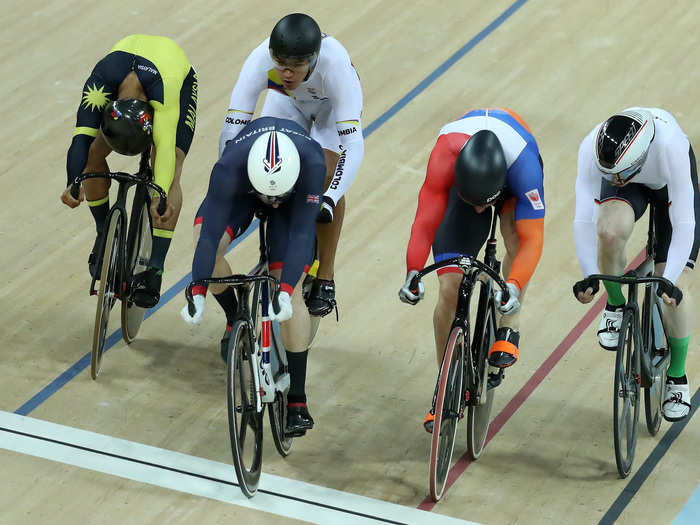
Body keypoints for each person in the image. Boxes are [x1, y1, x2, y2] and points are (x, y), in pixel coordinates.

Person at [399, 108, 545, 432]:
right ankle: (446, 385)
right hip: (465, 178)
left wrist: (515, 285)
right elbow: (425, 221)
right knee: (449, 286)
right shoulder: (445, 155)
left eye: (484, 203)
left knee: (515, 239)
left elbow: (534, 238)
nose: (482, 210)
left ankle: (509, 323)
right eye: (476, 203)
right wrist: (413, 269)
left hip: (509, 179)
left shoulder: (525, 168)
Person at [182, 117, 326, 435]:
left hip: (294, 204)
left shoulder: (312, 163)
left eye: (277, 196)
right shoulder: (229, 165)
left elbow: (303, 234)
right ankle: (235, 316)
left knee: (292, 290)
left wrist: (286, 290)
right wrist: (197, 292)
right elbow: (207, 238)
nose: (271, 203)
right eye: (269, 197)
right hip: (243, 193)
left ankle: (298, 400)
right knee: (204, 245)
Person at [217, 12, 364, 317]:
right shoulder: (261, 59)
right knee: (265, 156)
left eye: (295, 67)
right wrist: (226, 176)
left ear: (312, 59)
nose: (286, 72)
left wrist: (330, 198)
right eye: (280, 64)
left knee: (325, 171)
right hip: (286, 101)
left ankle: (326, 273)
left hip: (330, 110)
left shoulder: (334, 64)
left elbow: (352, 143)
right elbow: (234, 124)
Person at [573, 107, 695, 421]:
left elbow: (684, 224)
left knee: (676, 287)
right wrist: (590, 274)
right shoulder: (593, 147)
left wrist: (667, 279)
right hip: (633, 179)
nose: (610, 180)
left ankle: (678, 377)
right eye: (606, 174)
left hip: (668, 185)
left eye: (615, 175)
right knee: (609, 232)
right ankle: (615, 305)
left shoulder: (672, 149)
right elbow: (584, 218)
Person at [60, 34, 197, 308]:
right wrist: (73, 182)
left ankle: (155, 267)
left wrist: (160, 193)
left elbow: (167, 148)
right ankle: (103, 234)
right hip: (125, 72)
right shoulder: (100, 85)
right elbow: (80, 140)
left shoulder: (164, 90)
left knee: (169, 168)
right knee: (92, 156)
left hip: (173, 82)